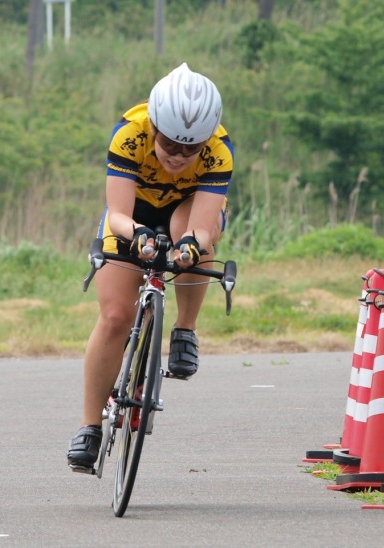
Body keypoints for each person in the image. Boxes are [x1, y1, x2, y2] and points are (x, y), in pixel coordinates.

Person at [67, 63, 234, 470]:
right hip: (133, 213)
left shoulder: (218, 151)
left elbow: (202, 227)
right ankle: (89, 427)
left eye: (189, 149)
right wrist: (138, 234)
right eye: (169, 145)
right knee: (115, 317)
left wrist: (192, 245)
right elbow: (119, 214)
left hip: (188, 211)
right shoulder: (130, 134)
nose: (178, 156)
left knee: (190, 238)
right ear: (154, 127)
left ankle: (185, 330)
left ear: (205, 141)